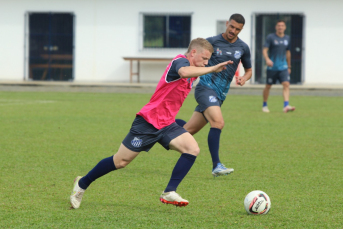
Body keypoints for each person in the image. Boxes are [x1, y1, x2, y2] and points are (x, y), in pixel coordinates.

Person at [70, 38, 232, 209]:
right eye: (204, 59)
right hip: (148, 122)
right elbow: (183, 72)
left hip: (167, 124)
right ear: (193, 53)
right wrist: (211, 68)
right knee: (120, 162)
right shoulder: (180, 62)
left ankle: (169, 191)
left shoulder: (194, 70)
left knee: (192, 148)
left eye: (208, 60)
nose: (206, 63)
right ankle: (82, 183)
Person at [175, 14, 252, 177]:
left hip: (220, 96)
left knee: (187, 130)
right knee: (218, 122)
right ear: (227, 24)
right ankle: (216, 165)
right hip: (205, 89)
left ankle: (161, 130)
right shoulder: (212, 42)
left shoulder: (243, 47)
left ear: (241, 29)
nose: (233, 31)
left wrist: (244, 78)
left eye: (237, 29)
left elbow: (249, 70)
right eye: (231, 26)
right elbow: (190, 58)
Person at [262, 19, 295, 113]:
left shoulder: (287, 38)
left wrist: (289, 66)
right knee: (268, 86)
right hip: (272, 67)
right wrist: (267, 59)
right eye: (279, 25)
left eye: (282, 26)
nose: (280, 27)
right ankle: (264, 105)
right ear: (276, 27)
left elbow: (288, 52)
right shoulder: (271, 37)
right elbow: (264, 50)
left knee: (286, 84)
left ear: (285, 27)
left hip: (283, 67)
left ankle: (286, 105)